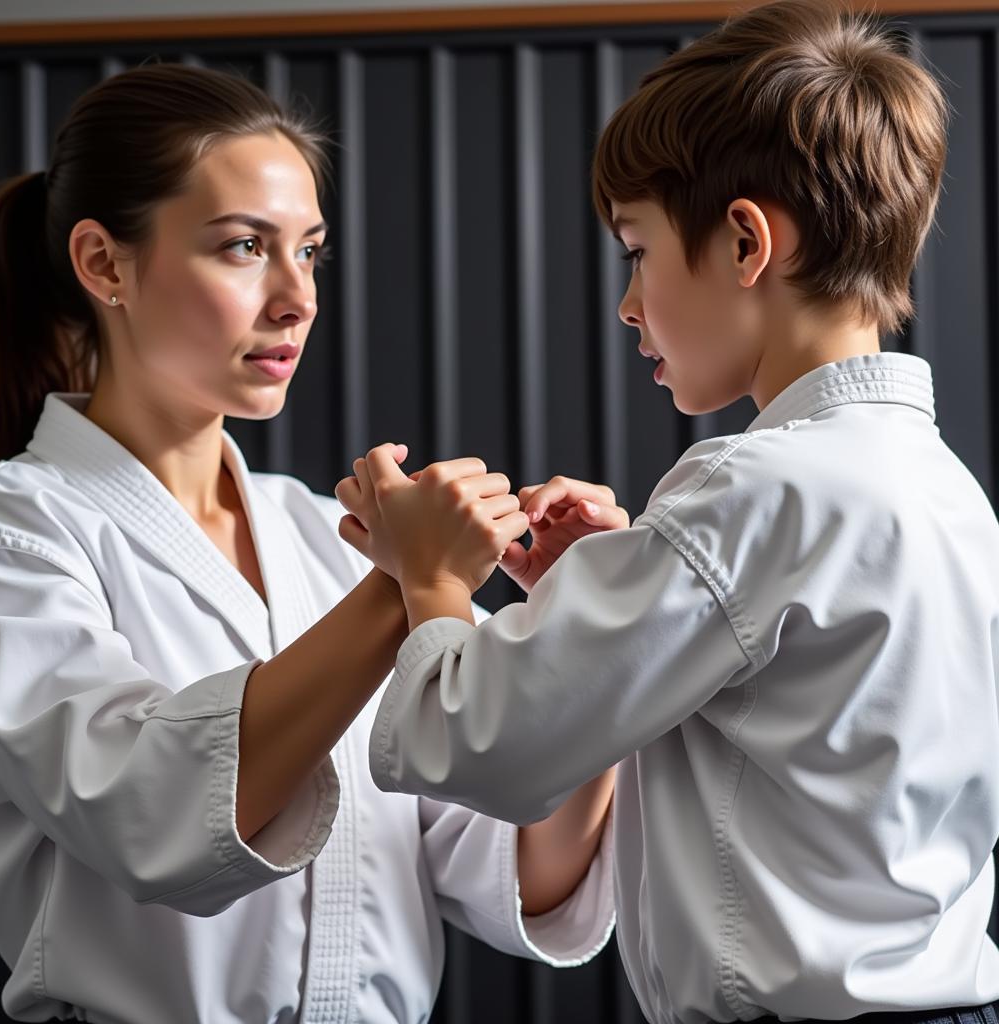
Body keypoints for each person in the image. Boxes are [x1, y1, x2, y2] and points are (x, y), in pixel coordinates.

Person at [334, 2, 999, 1022]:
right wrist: (605, 586)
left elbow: (478, 745)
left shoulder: (746, 486)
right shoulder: (942, 488)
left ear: (744, 242)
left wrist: (427, 575)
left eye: (635, 252)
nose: (627, 305)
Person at [0, 63, 619, 1024]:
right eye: (243, 247)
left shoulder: (326, 530)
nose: (296, 298)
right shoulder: (12, 529)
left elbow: (517, 869)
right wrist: (403, 583)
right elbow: (144, 815)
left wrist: (590, 623)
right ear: (105, 264)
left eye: (309, 252)